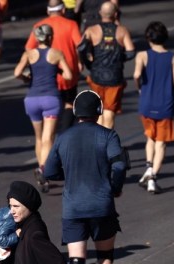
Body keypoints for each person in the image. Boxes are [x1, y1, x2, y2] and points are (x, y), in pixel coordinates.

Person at [43, 90, 127, 264]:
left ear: (77, 112)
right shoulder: (108, 135)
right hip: (102, 205)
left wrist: (66, 174)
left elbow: (49, 171)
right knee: (105, 257)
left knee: (75, 262)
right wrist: (115, 187)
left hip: (73, 207)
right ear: (98, 111)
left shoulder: (64, 137)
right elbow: (119, 164)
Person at [15, 24, 73, 194]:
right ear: (50, 37)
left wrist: (27, 78)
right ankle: (43, 169)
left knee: (39, 138)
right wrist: (58, 72)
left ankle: (44, 178)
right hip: (51, 98)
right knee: (49, 138)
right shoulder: (56, 54)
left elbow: (17, 72)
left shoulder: (29, 54)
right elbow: (69, 76)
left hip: (32, 99)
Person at [134, 21, 174, 194]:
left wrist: (140, 87)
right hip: (165, 105)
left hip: (146, 103)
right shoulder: (173, 57)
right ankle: (152, 176)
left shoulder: (142, 55)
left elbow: (137, 74)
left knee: (150, 138)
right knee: (161, 144)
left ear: (148, 38)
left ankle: (148, 168)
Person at [25, 0, 83, 133]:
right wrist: (80, 62)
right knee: (69, 103)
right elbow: (79, 46)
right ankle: (64, 131)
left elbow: (29, 48)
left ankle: (50, 135)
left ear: (47, 11)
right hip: (67, 73)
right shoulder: (71, 24)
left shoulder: (39, 26)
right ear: (63, 10)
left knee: (49, 108)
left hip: (47, 77)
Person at [81, 1, 135, 129]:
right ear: (115, 14)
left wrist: (89, 62)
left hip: (96, 76)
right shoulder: (122, 31)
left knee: (98, 109)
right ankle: (106, 140)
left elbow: (81, 47)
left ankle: (97, 140)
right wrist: (119, 58)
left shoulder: (92, 30)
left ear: (100, 13)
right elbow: (131, 52)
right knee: (109, 110)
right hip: (115, 77)